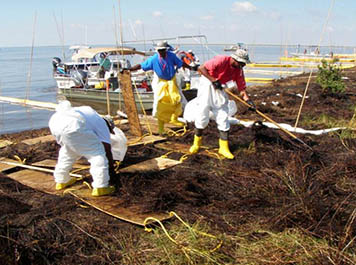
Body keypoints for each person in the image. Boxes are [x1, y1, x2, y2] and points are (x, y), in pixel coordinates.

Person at [189, 49, 255, 159]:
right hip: (207, 84)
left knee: (223, 116)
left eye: (244, 64)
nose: (242, 66)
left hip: (219, 87)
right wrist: (214, 80)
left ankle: (223, 148)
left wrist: (248, 101)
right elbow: (201, 68)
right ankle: (196, 143)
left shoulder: (238, 70)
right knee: (202, 114)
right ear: (235, 59)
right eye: (241, 63)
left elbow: (242, 88)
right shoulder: (221, 60)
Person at [49, 100, 116, 196]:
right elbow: (106, 148)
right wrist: (111, 170)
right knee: (97, 154)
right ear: (109, 125)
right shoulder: (102, 124)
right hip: (75, 124)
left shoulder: (90, 113)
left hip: (55, 122)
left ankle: (62, 181)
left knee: (68, 151)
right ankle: (101, 187)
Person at [128, 40, 194, 134]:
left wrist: (191, 67)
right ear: (157, 51)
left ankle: (174, 118)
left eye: (163, 50)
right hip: (160, 82)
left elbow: (181, 63)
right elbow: (141, 66)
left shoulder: (171, 56)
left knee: (176, 100)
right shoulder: (154, 59)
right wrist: (129, 69)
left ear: (165, 50)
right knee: (161, 102)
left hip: (172, 80)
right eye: (159, 50)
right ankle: (161, 127)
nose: (161, 52)